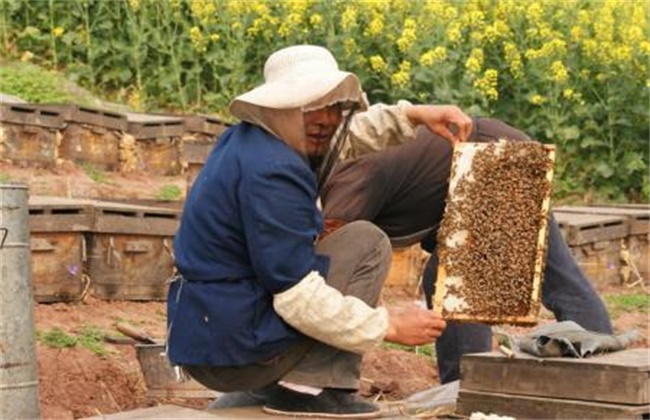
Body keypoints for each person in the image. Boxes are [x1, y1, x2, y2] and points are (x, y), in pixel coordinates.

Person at [166, 44, 473, 418]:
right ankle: (307, 389)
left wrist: (412, 116)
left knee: (356, 239)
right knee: (368, 244)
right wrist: (389, 325)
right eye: (311, 107)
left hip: (212, 331)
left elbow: (347, 135)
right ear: (276, 108)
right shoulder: (274, 174)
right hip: (231, 347)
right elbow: (296, 296)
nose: (325, 119)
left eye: (332, 106)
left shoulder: (254, 140)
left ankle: (270, 386)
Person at [321, 119, 614, 384]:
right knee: (448, 280)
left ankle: (607, 375)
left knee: (469, 286)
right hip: (469, 168)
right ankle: (462, 383)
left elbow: (326, 271)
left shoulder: (347, 180)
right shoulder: (333, 171)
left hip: (496, 161)